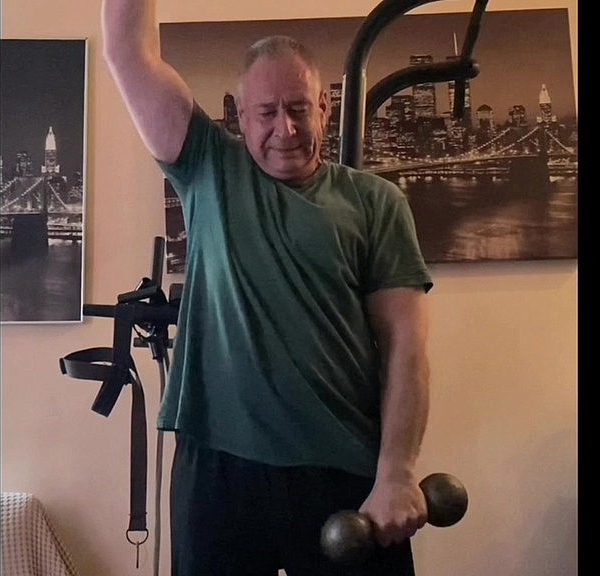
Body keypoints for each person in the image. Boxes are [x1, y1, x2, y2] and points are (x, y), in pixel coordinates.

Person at [102, 1, 434, 574]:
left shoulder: (375, 202)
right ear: (240, 115)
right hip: (218, 467)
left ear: (325, 108)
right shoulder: (207, 166)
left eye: (300, 109)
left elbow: (406, 346)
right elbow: (127, 51)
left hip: (342, 467)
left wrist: (397, 472)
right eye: (267, 112)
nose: (286, 129)